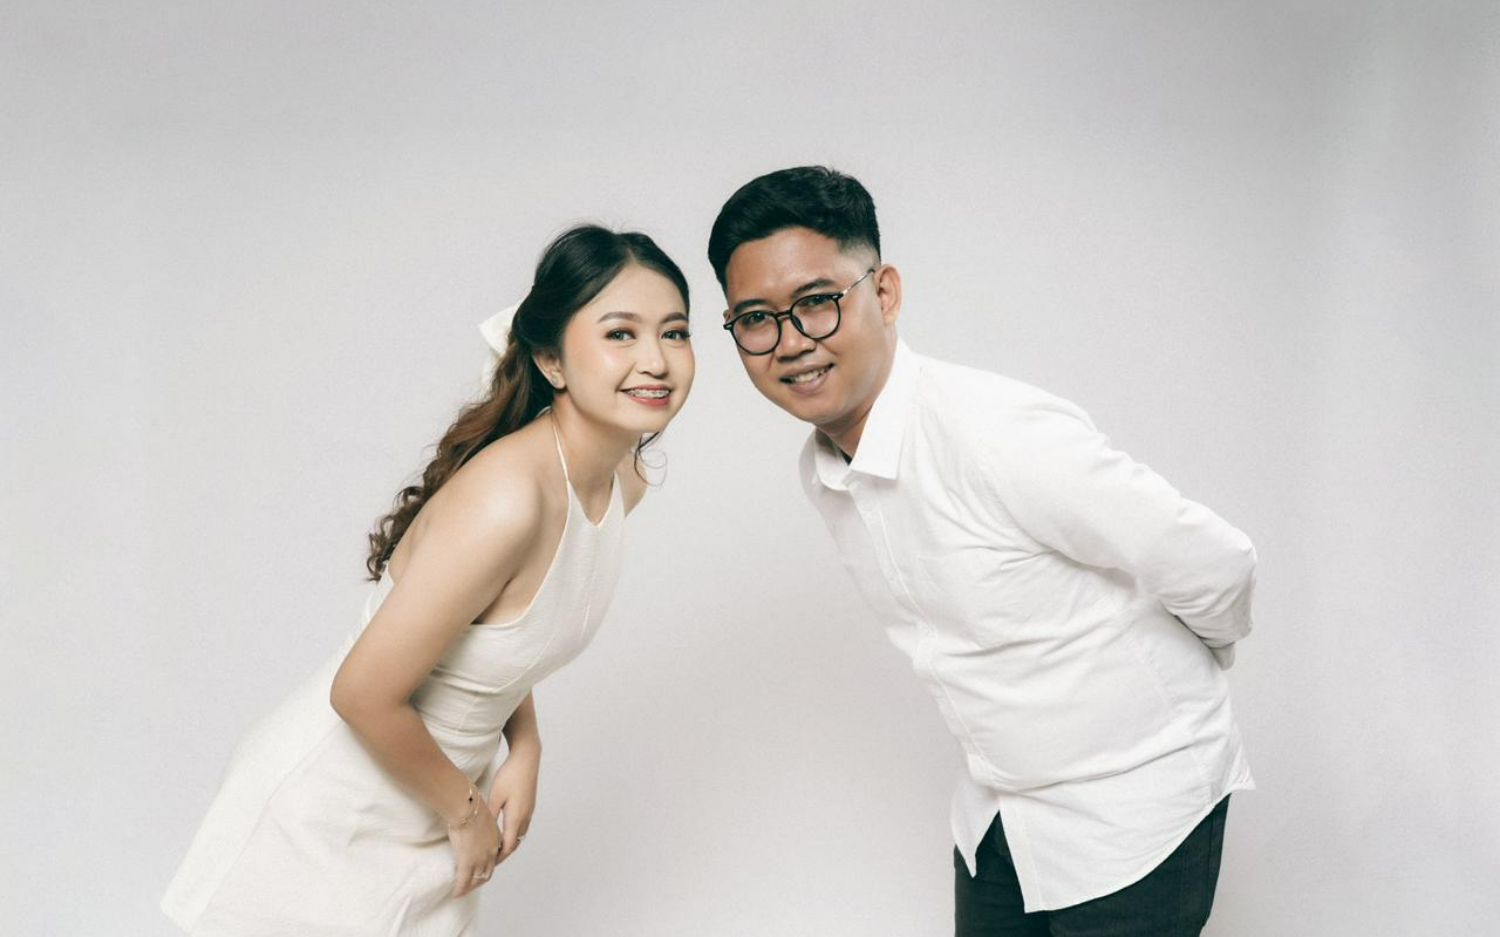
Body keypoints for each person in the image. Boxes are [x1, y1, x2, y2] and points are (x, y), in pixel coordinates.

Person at [707, 166, 1255, 937]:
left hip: (1135, 807)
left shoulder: (995, 433)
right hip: (1000, 810)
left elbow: (1217, 562)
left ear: (885, 293)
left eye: (818, 302)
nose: (791, 341)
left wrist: (1192, 666)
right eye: (757, 318)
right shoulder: (823, 471)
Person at [161, 225, 695, 935]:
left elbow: (499, 634)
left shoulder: (621, 483)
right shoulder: (509, 499)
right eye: (620, 334)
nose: (655, 360)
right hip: (331, 816)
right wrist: (465, 814)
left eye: (675, 332)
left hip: (433, 806)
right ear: (551, 359)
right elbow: (361, 692)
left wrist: (526, 746)